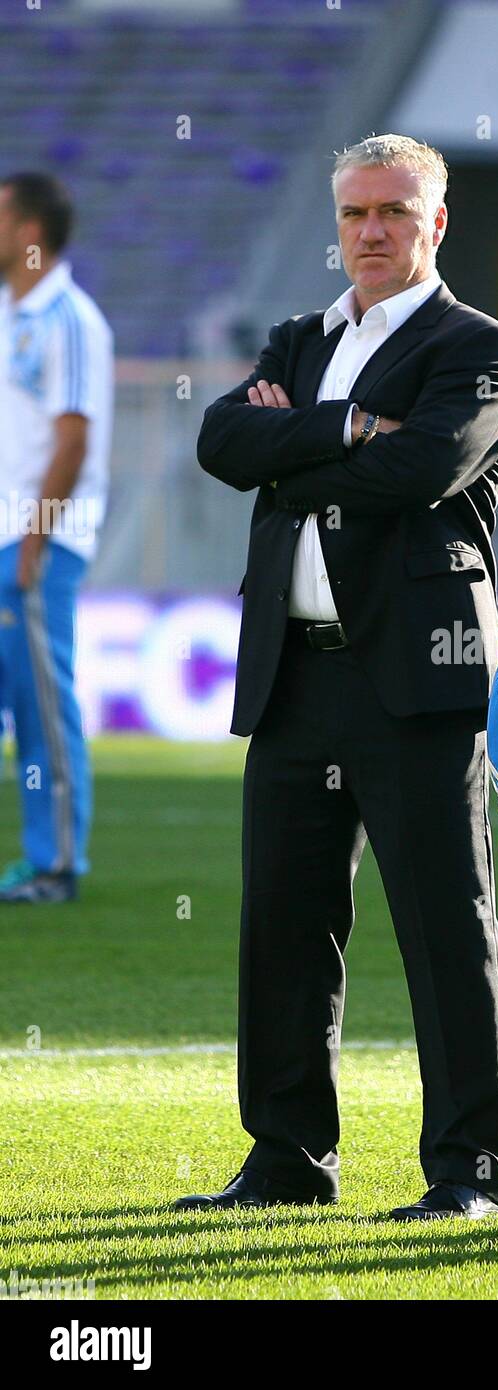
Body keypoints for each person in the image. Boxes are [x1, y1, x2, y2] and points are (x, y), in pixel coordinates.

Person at [176, 135, 498, 1220]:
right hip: (294, 672)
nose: (370, 231)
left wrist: (302, 452)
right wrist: (343, 428)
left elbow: (422, 467)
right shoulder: (300, 335)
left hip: (416, 675)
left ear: (436, 222)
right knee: (281, 923)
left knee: (444, 922)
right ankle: (285, 1159)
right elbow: (223, 442)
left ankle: (466, 1169)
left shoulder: (479, 344)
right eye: (353, 214)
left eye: (393, 211)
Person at [0, 172, 113, 906]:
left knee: (41, 706)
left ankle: (56, 864)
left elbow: (72, 439)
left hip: (34, 540)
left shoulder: (68, 318)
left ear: (30, 231)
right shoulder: (11, 312)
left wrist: (35, 542)